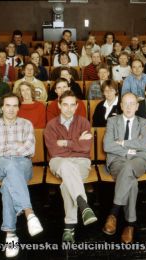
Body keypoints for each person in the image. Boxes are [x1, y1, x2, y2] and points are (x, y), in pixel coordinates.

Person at [0, 92, 43, 258]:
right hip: (0, 165)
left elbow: (30, 150)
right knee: (10, 165)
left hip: (23, 164)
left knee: (7, 185)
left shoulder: (26, 124)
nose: (11, 109)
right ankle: (29, 213)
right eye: (7, 105)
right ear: (2, 107)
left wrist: (6, 148)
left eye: (14, 106)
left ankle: (10, 234)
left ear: (18, 108)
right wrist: (15, 147)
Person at [44, 90, 97, 243]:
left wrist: (66, 142)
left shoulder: (84, 122)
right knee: (66, 166)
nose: (68, 108)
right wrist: (77, 142)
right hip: (58, 161)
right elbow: (54, 150)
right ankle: (83, 204)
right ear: (59, 105)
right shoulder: (51, 125)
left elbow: (86, 148)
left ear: (76, 106)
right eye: (65, 105)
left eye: (72, 105)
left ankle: (69, 226)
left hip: (81, 161)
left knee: (67, 183)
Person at [102, 92, 146, 244]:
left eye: (132, 103)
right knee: (132, 182)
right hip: (117, 161)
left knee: (130, 166)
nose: (129, 106)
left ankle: (113, 213)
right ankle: (130, 225)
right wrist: (131, 147)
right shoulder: (112, 121)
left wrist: (122, 143)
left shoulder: (143, 122)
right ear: (121, 105)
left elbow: (143, 146)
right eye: (125, 103)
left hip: (139, 160)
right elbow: (107, 146)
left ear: (137, 106)